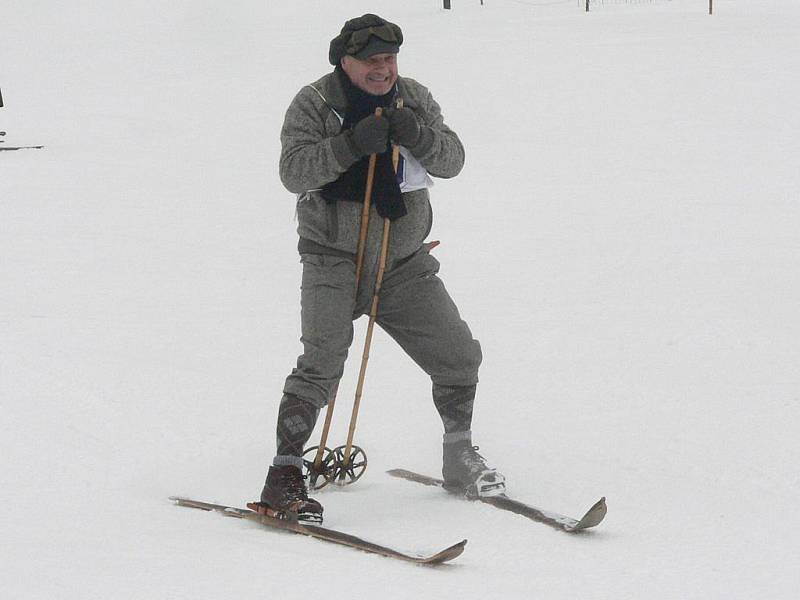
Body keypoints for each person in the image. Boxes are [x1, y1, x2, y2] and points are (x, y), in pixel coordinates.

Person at [252, 14, 504, 524]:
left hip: (402, 263)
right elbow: (292, 171)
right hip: (332, 259)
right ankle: (283, 476)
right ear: (345, 61)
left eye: (390, 59)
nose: (383, 69)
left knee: (457, 353)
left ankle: (459, 457)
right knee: (321, 365)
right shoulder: (316, 103)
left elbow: (452, 160)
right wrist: (349, 146)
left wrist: (418, 135)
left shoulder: (413, 96)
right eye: (372, 60)